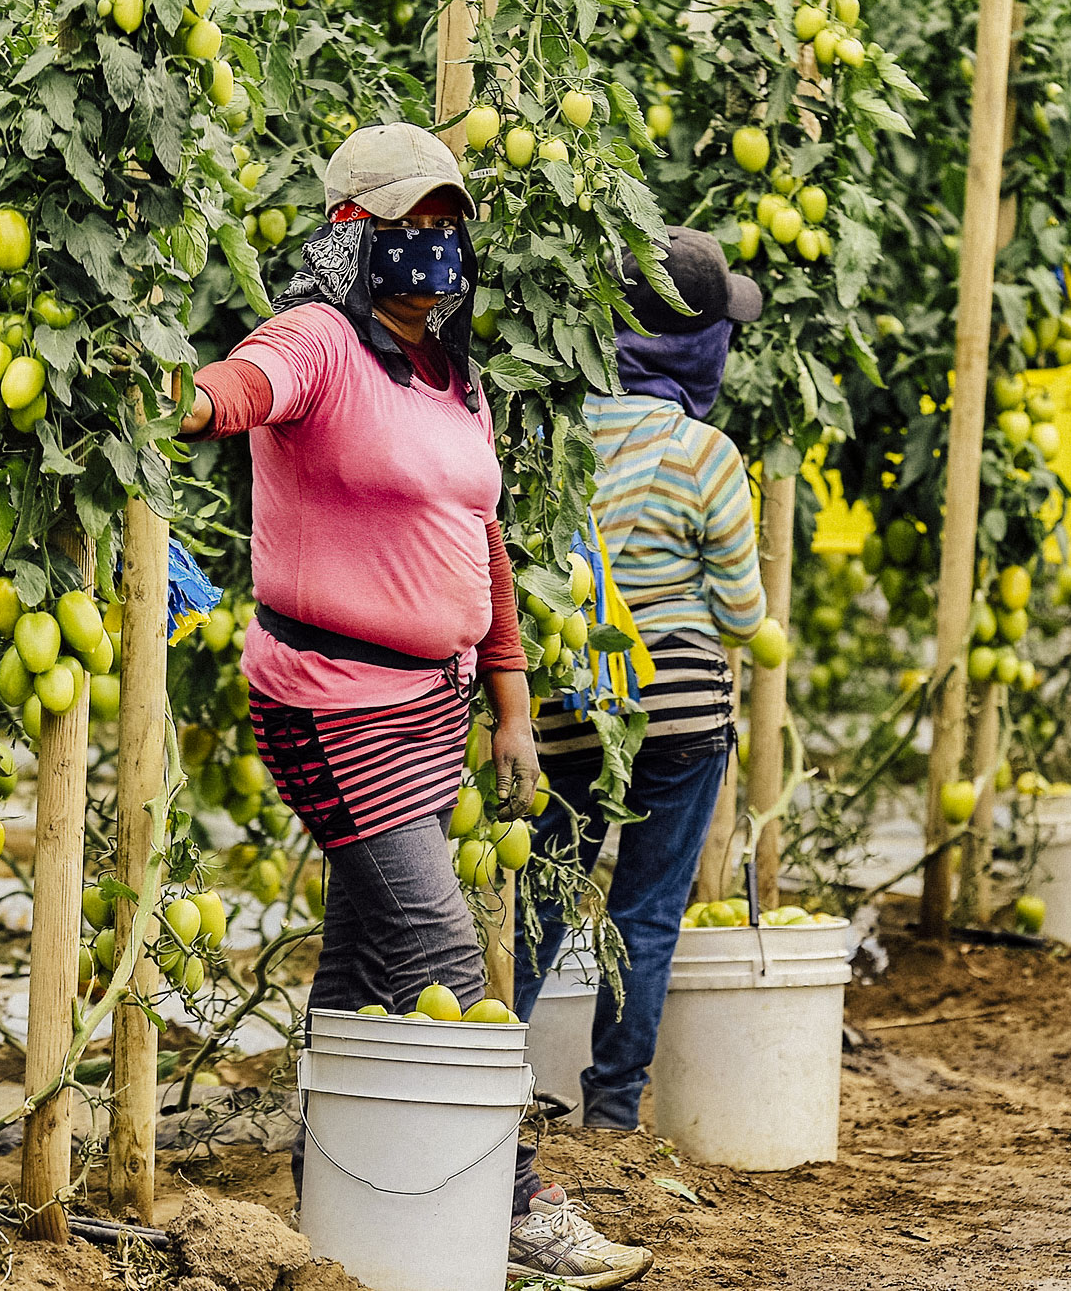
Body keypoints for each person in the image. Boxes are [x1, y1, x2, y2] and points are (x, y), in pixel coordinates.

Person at [179, 123, 655, 1289]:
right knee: (440, 956)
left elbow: (478, 540)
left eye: (448, 221)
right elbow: (247, 385)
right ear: (350, 228)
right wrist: (183, 398)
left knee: (358, 972)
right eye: (409, 222)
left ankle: (330, 1193)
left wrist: (507, 703)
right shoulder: (320, 340)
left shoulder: (455, 377)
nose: (433, 243)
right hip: (326, 700)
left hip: (431, 710)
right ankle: (519, 1206)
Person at [513, 228, 766, 1128]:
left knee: (540, 890)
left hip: (572, 704)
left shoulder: (548, 439)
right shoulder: (709, 455)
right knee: (647, 911)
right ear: (698, 344)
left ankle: (488, 1067)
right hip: (684, 710)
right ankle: (615, 1107)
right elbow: (741, 614)